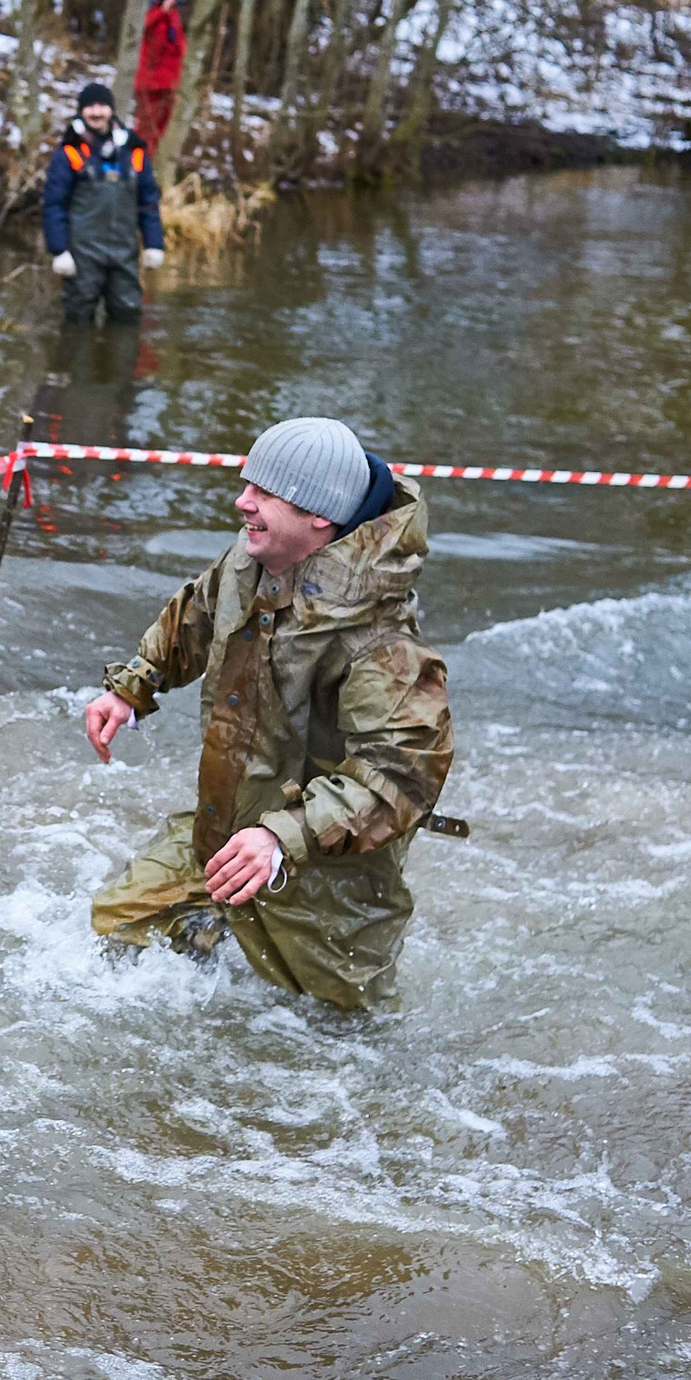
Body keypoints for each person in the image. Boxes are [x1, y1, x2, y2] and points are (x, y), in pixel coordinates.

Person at [82, 416, 454, 1011]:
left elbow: (402, 776)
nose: (242, 501)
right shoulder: (251, 559)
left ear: (319, 517)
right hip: (225, 830)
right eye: (247, 483)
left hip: (327, 885)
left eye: (265, 492)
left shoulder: (383, 644)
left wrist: (282, 837)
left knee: (333, 1037)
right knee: (115, 936)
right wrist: (134, 686)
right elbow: (198, 612)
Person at [42, 82, 162, 326]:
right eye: (90, 107)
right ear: (81, 111)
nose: (96, 112)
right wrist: (59, 250)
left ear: (111, 110)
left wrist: (154, 244)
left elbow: (148, 201)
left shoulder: (134, 151)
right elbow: (54, 204)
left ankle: (120, 352)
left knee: (127, 315)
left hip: (124, 251)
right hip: (82, 253)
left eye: (102, 106)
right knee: (78, 316)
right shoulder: (69, 151)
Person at [132, 0, 184, 154]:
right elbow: (141, 28)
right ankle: (139, 160)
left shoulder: (173, 11)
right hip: (149, 79)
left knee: (161, 127)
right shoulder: (144, 7)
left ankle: (149, 162)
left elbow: (178, 43)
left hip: (169, 79)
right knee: (146, 126)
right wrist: (162, 11)